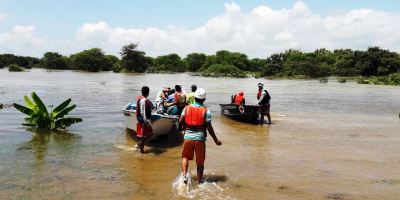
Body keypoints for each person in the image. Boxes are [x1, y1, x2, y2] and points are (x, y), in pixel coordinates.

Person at [179, 88, 222, 184]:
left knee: (185, 157)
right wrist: (216, 140)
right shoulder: (206, 111)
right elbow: (209, 127)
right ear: (204, 99)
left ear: (194, 97)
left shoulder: (186, 108)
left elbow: (180, 121)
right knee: (200, 163)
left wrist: (186, 128)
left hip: (188, 137)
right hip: (200, 139)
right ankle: (199, 183)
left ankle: (184, 175)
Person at [136, 86, 154, 153]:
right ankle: (141, 148)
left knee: (144, 134)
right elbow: (152, 108)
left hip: (139, 118)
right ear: (148, 93)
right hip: (144, 120)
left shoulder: (139, 98)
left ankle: (140, 144)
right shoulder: (147, 101)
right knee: (147, 134)